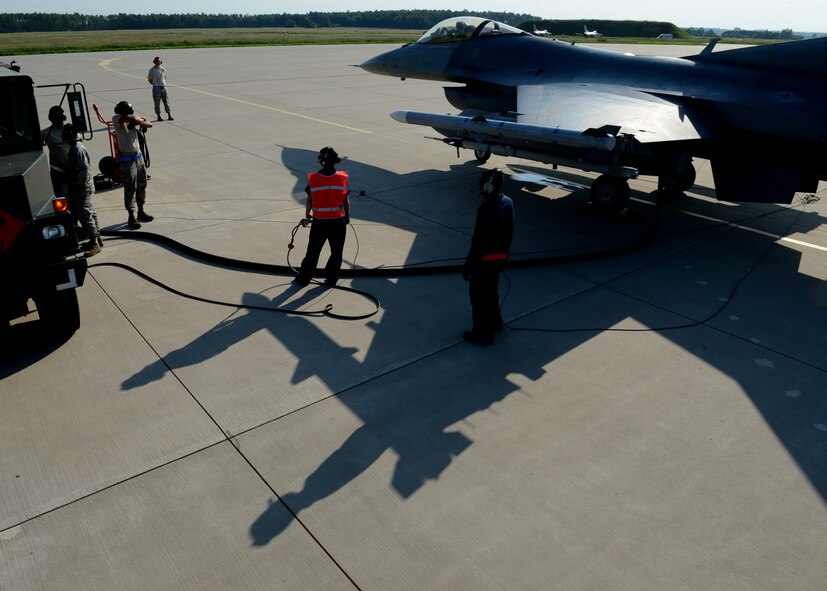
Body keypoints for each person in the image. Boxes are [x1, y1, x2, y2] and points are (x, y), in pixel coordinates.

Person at [462, 168, 515, 345]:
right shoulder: (508, 202)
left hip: (484, 262)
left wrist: (468, 266)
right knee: (491, 292)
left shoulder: (487, 210)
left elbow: (477, 242)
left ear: (488, 188)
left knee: (478, 298)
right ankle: (496, 322)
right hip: (500, 259)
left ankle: (482, 334)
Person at [294, 146, 351, 286]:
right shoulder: (343, 177)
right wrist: (347, 217)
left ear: (323, 161)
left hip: (320, 223)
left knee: (313, 252)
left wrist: (307, 214)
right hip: (338, 222)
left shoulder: (314, 178)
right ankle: (332, 278)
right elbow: (345, 201)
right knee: (336, 252)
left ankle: (304, 278)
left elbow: (310, 200)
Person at [112, 100, 153, 229]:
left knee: (142, 184)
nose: (129, 113)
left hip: (139, 158)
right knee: (130, 187)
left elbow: (149, 125)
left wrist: (140, 121)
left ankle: (141, 211)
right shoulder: (117, 118)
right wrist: (137, 120)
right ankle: (131, 215)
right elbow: (130, 119)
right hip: (127, 160)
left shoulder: (133, 119)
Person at [62, 122, 101, 256]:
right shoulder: (75, 146)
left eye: (63, 134)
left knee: (85, 214)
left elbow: (83, 170)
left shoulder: (77, 149)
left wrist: (82, 187)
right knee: (90, 211)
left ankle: (94, 243)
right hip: (83, 186)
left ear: (70, 135)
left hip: (83, 187)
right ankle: (96, 238)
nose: (61, 137)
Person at [41, 105, 70, 199]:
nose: (60, 123)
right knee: (62, 196)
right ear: (52, 120)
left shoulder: (70, 130)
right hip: (58, 169)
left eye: (61, 120)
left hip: (73, 167)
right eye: (57, 121)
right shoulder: (45, 133)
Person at [147, 57, 173, 122]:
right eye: (157, 61)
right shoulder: (152, 70)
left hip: (163, 88)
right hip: (156, 89)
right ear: (154, 62)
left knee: (166, 102)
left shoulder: (163, 69)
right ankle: (158, 116)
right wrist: (155, 84)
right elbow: (149, 79)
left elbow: (164, 78)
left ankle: (169, 114)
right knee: (157, 103)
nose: (158, 63)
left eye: (159, 61)